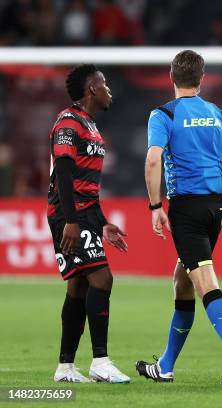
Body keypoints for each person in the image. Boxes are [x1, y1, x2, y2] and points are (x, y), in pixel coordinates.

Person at [137, 50, 222, 385]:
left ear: (172, 77)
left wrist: (156, 207)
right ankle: (165, 365)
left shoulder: (163, 114)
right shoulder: (217, 113)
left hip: (186, 209)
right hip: (215, 209)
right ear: (200, 79)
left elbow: (153, 161)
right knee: (182, 280)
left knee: (204, 282)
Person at [48, 64, 130, 383]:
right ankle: (100, 361)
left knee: (79, 286)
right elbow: (65, 173)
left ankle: (66, 367)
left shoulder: (91, 126)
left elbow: (87, 185)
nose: (109, 90)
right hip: (67, 215)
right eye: (105, 84)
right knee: (102, 279)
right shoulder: (69, 121)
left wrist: (103, 223)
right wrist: (70, 219)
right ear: (92, 88)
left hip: (83, 214)